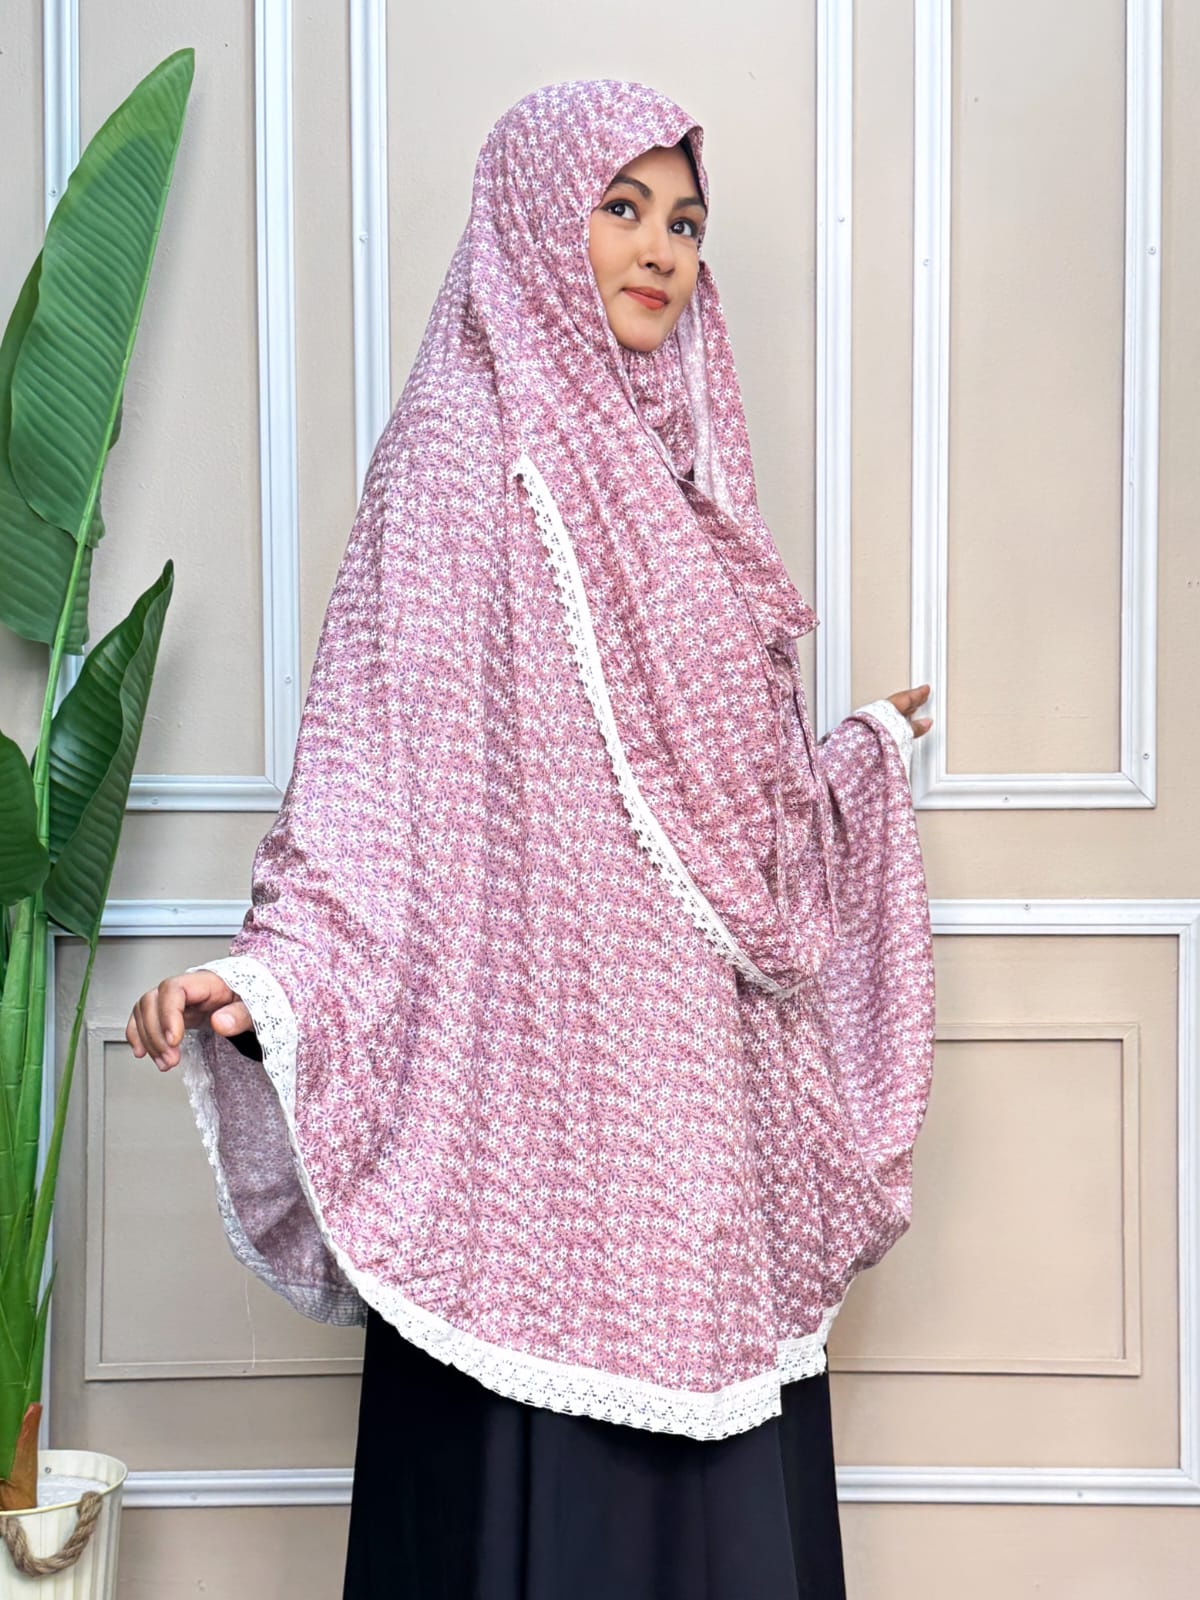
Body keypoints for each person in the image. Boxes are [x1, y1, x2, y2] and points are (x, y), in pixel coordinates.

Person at [127, 79, 936, 1599]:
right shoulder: (459, 460)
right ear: (534, 219)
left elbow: (737, 810)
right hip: (526, 1097)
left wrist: (855, 763)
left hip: (695, 1102)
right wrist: (271, 979)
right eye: (621, 208)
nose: (661, 249)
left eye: (685, 220)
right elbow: (373, 777)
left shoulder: (688, 481)